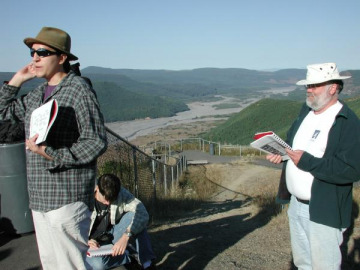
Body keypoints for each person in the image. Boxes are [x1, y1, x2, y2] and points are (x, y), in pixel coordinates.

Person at [0, 27, 108, 269]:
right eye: (32, 52)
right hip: (39, 198)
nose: (35, 58)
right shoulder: (36, 94)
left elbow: (96, 141)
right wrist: (17, 79)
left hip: (66, 198)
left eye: (42, 52)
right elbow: (2, 113)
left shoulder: (79, 89)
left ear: (61, 58)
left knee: (71, 264)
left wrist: (49, 153)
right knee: (51, 265)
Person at [266, 62, 360, 269]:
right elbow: (294, 146)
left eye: (314, 86)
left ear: (333, 88)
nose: (309, 90)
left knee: (324, 265)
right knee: (303, 263)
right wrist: (282, 155)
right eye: (307, 86)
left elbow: (352, 170)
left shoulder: (346, 121)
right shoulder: (306, 112)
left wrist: (306, 161)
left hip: (324, 208)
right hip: (297, 205)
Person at [86, 173, 156, 270]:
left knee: (135, 217)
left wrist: (126, 236)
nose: (108, 203)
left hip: (111, 234)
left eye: (112, 200)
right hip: (89, 243)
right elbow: (69, 225)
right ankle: (127, 256)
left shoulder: (120, 193)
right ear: (97, 189)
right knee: (98, 265)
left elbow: (142, 213)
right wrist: (85, 240)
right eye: (105, 199)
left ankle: (147, 263)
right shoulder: (83, 196)